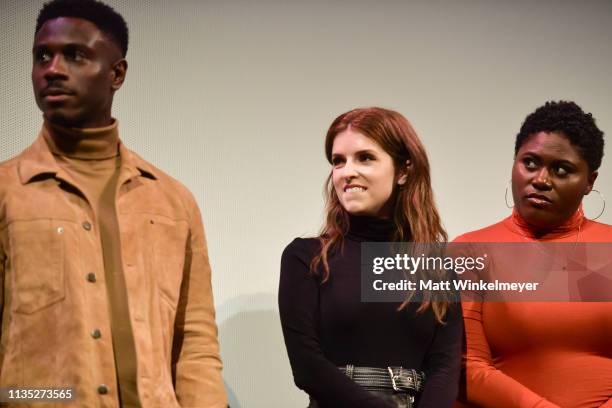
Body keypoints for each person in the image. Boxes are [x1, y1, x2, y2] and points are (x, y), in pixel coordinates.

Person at [0, 0, 227, 406]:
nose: (52, 69)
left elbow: (194, 340)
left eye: (75, 55)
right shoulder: (7, 192)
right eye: (42, 56)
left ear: (116, 73)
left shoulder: (172, 202)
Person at [279, 107, 463, 407]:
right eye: (338, 161)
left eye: (365, 157)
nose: (347, 172)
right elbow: (306, 366)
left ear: (403, 171)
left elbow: (444, 368)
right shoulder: (306, 257)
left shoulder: (437, 269)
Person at [455, 101, 612, 407]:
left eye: (561, 169)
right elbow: (466, 368)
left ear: (590, 181)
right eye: (530, 163)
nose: (541, 179)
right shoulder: (469, 251)